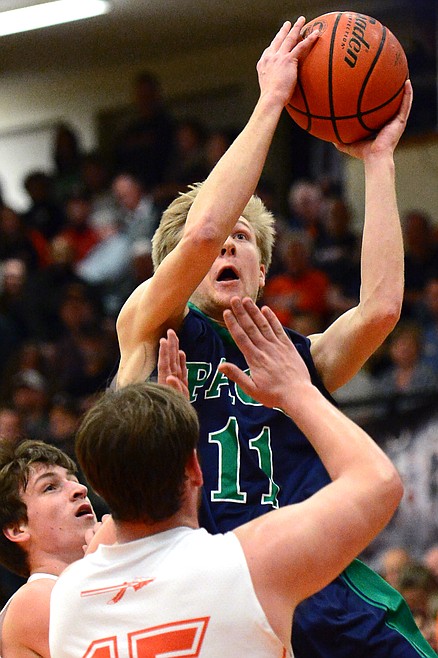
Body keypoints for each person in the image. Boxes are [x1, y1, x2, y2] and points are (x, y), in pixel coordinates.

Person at [115, 18, 434, 658]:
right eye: (216, 239)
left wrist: (377, 162)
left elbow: (380, 309)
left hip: (316, 584)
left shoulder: (296, 356)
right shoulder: (150, 326)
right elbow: (203, 230)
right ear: (174, 267)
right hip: (204, 590)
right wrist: (270, 102)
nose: (225, 244)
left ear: (263, 271)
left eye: (244, 239)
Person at [50, 297, 403, 657]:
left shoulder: (68, 598)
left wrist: (169, 436)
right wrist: (297, 390)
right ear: (196, 467)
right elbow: (378, 480)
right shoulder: (247, 564)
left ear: (96, 486)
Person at [0, 439, 97, 658]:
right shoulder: (35, 598)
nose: (80, 489)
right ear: (17, 528)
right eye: (50, 487)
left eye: (73, 480)